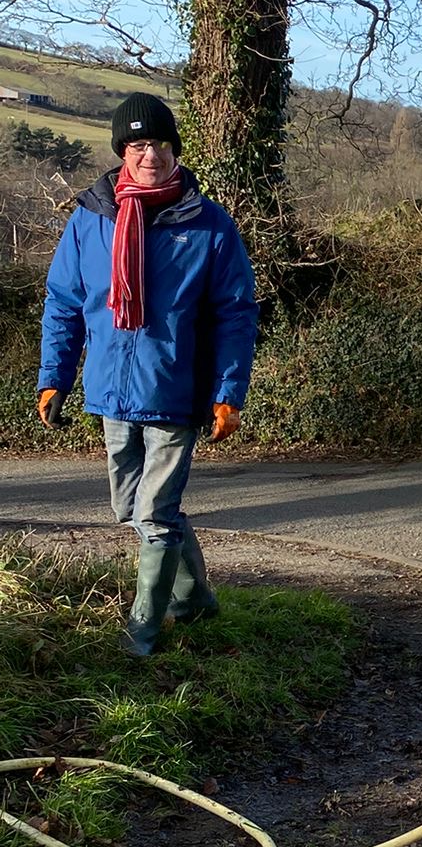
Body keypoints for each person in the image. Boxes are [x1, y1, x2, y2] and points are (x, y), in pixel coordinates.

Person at [37, 94, 259, 657]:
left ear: (175, 150)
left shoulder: (208, 223)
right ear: (121, 151)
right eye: (138, 145)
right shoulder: (91, 218)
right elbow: (64, 303)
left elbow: (235, 312)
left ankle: (143, 631)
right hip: (112, 389)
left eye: (161, 144)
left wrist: (228, 392)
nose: (150, 155)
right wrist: (54, 377)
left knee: (155, 516)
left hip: (178, 390)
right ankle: (195, 598)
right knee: (129, 509)